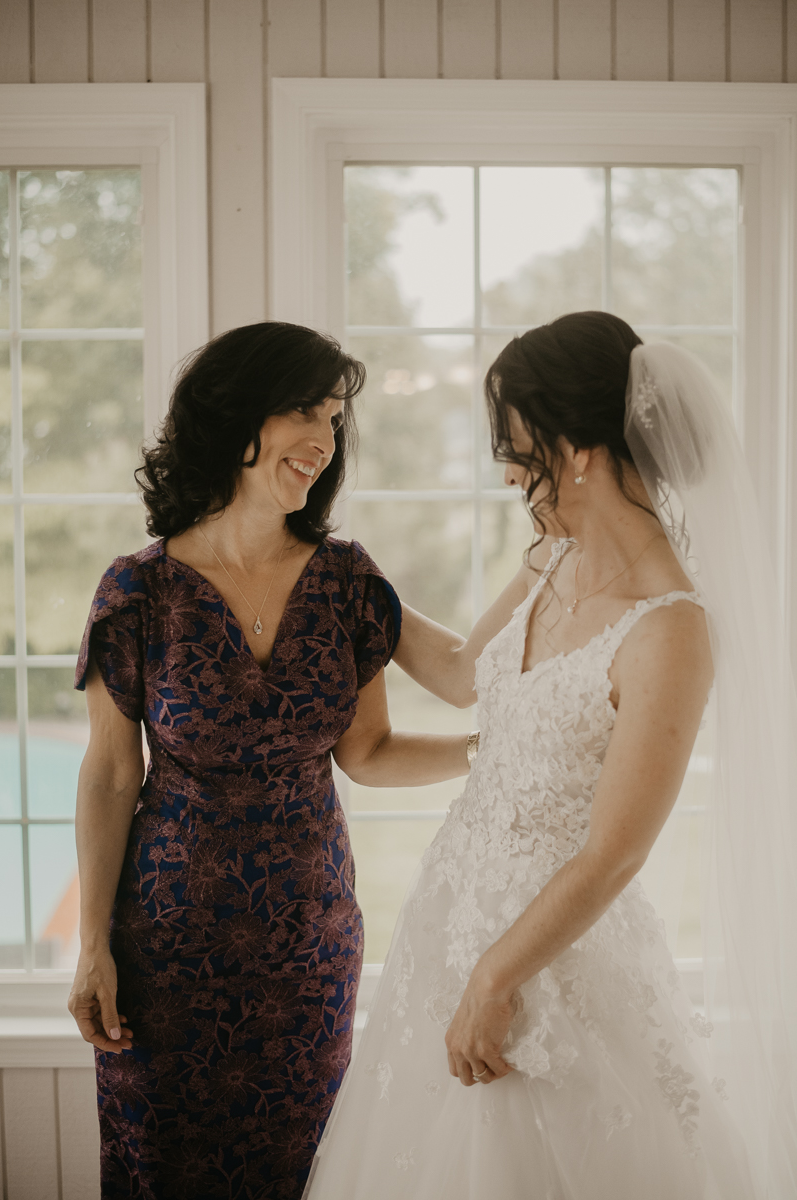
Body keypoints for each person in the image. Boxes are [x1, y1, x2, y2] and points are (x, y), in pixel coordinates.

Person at [305, 312, 797, 1199]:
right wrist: (353, 582)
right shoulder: (548, 556)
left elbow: (616, 850)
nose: (504, 470)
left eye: (514, 446)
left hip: (552, 956)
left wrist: (497, 974)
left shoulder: (672, 629)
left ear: (576, 449)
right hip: (448, 919)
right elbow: (460, 676)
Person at [67, 322, 472, 1200]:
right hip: (166, 951)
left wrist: (490, 753)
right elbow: (108, 775)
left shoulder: (347, 582)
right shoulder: (136, 592)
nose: (325, 439)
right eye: (304, 411)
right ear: (235, 418)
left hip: (308, 954)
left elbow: (376, 746)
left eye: (335, 417)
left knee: (303, 1172)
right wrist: (92, 943)